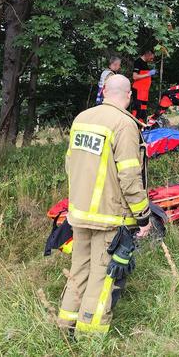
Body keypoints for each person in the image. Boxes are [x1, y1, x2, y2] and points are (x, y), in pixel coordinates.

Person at [59, 74, 151, 334]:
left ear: (104, 91)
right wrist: (143, 216)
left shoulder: (81, 118)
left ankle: (65, 325)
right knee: (102, 277)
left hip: (79, 212)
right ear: (129, 95)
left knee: (79, 272)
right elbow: (130, 177)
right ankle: (90, 337)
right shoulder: (124, 125)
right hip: (109, 218)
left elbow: (70, 164)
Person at [131, 50, 156, 122]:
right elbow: (135, 77)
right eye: (151, 58)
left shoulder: (145, 63)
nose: (152, 60)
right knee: (137, 110)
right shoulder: (138, 62)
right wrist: (148, 74)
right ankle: (134, 125)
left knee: (143, 111)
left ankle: (141, 127)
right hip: (138, 90)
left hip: (144, 92)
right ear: (147, 54)